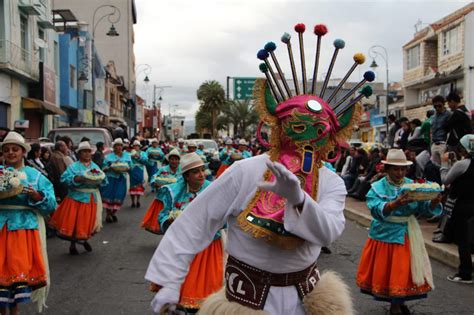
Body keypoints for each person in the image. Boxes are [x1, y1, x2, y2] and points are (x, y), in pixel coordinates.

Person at [144, 39, 366, 312]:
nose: (304, 140)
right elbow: (196, 222)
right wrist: (170, 280)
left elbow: (328, 233)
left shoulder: (331, 181)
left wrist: (298, 200)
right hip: (245, 299)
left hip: (306, 299)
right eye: (296, 127)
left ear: (329, 138)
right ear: (279, 128)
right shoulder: (245, 171)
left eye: (317, 131)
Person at [356, 149, 442, 315]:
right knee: (389, 272)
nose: (400, 172)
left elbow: (423, 208)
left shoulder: (413, 185)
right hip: (384, 235)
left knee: (403, 271)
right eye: (395, 169)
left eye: (402, 169)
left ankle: (399, 301)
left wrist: (433, 202)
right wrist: (394, 204)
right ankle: (395, 304)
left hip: (407, 234)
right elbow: (374, 209)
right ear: (387, 169)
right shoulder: (377, 187)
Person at [149, 153, 224, 312]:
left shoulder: (213, 189)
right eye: (196, 172)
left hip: (207, 247)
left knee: (203, 287)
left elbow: (224, 217)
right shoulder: (174, 192)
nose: (201, 174)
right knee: (181, 286)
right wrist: (169, 221)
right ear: (186, 176)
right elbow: (163, 215)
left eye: (202, 170)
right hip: (181, 245)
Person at [0, 132, 57, 314]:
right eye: (6, 150)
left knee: (14, 273)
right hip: (1, 227)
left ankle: (13, 311)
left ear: (23, 152)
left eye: (15, 149)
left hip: (22, 231)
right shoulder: (1, 174)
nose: (11, 153)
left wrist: (36, 195)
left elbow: (51, 203)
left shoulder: (35, 176)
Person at [48, 141, 107, 255]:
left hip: (91, 198)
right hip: (76, 198)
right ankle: (73, 244)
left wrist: (101, 181)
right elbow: (64, 179)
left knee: (87, 222)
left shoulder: (95, 167)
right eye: (84, 151)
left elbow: (103, 179)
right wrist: (77, 179)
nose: (86, 154)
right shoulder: (73, 167)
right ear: (79, 154)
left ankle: (83, 239)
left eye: (88, 151)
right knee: (74, 222)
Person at [440, 134, 474, 283]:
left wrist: (444, 164)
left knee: (463, 240)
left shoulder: (462, 164)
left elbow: (446, 180)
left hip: (463, 205)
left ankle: (465, 273)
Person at [100, 138, 132, 223]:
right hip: (111, 178)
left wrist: (127, 169)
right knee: (109, 196)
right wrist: (110, 167)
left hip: (121, 178)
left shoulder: (127, 156)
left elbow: (130, 167)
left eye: (120, 145)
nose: (119, 147)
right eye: (117, 146)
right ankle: (108, 214)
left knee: (120, 196)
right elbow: (103, 168)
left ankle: (113, 212)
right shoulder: (108, 157)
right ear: (114, 147)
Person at [430, 95, 450, 166]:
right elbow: (432, 130)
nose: (437, 108)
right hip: (434, 143)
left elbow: (449, 130)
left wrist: (447, 145)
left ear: (443, 104)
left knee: (445, 166)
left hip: (443, 143)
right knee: (435, 167)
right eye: (435, 106)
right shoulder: (434, 116)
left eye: (439, 106)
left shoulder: (448, 114)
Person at [129, 140, 148, 208]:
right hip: (132, 170)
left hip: (140, 170)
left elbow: (145, 160)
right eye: (135, 146)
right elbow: (128, 161)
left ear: (139, 147)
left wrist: (139, 157)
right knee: (132, 185)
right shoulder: (130, 153)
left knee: (139, 185)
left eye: (137, 146)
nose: (136, 147)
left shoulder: (143, 153)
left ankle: (138, 200)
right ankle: (133, 201)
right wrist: (132, 157)